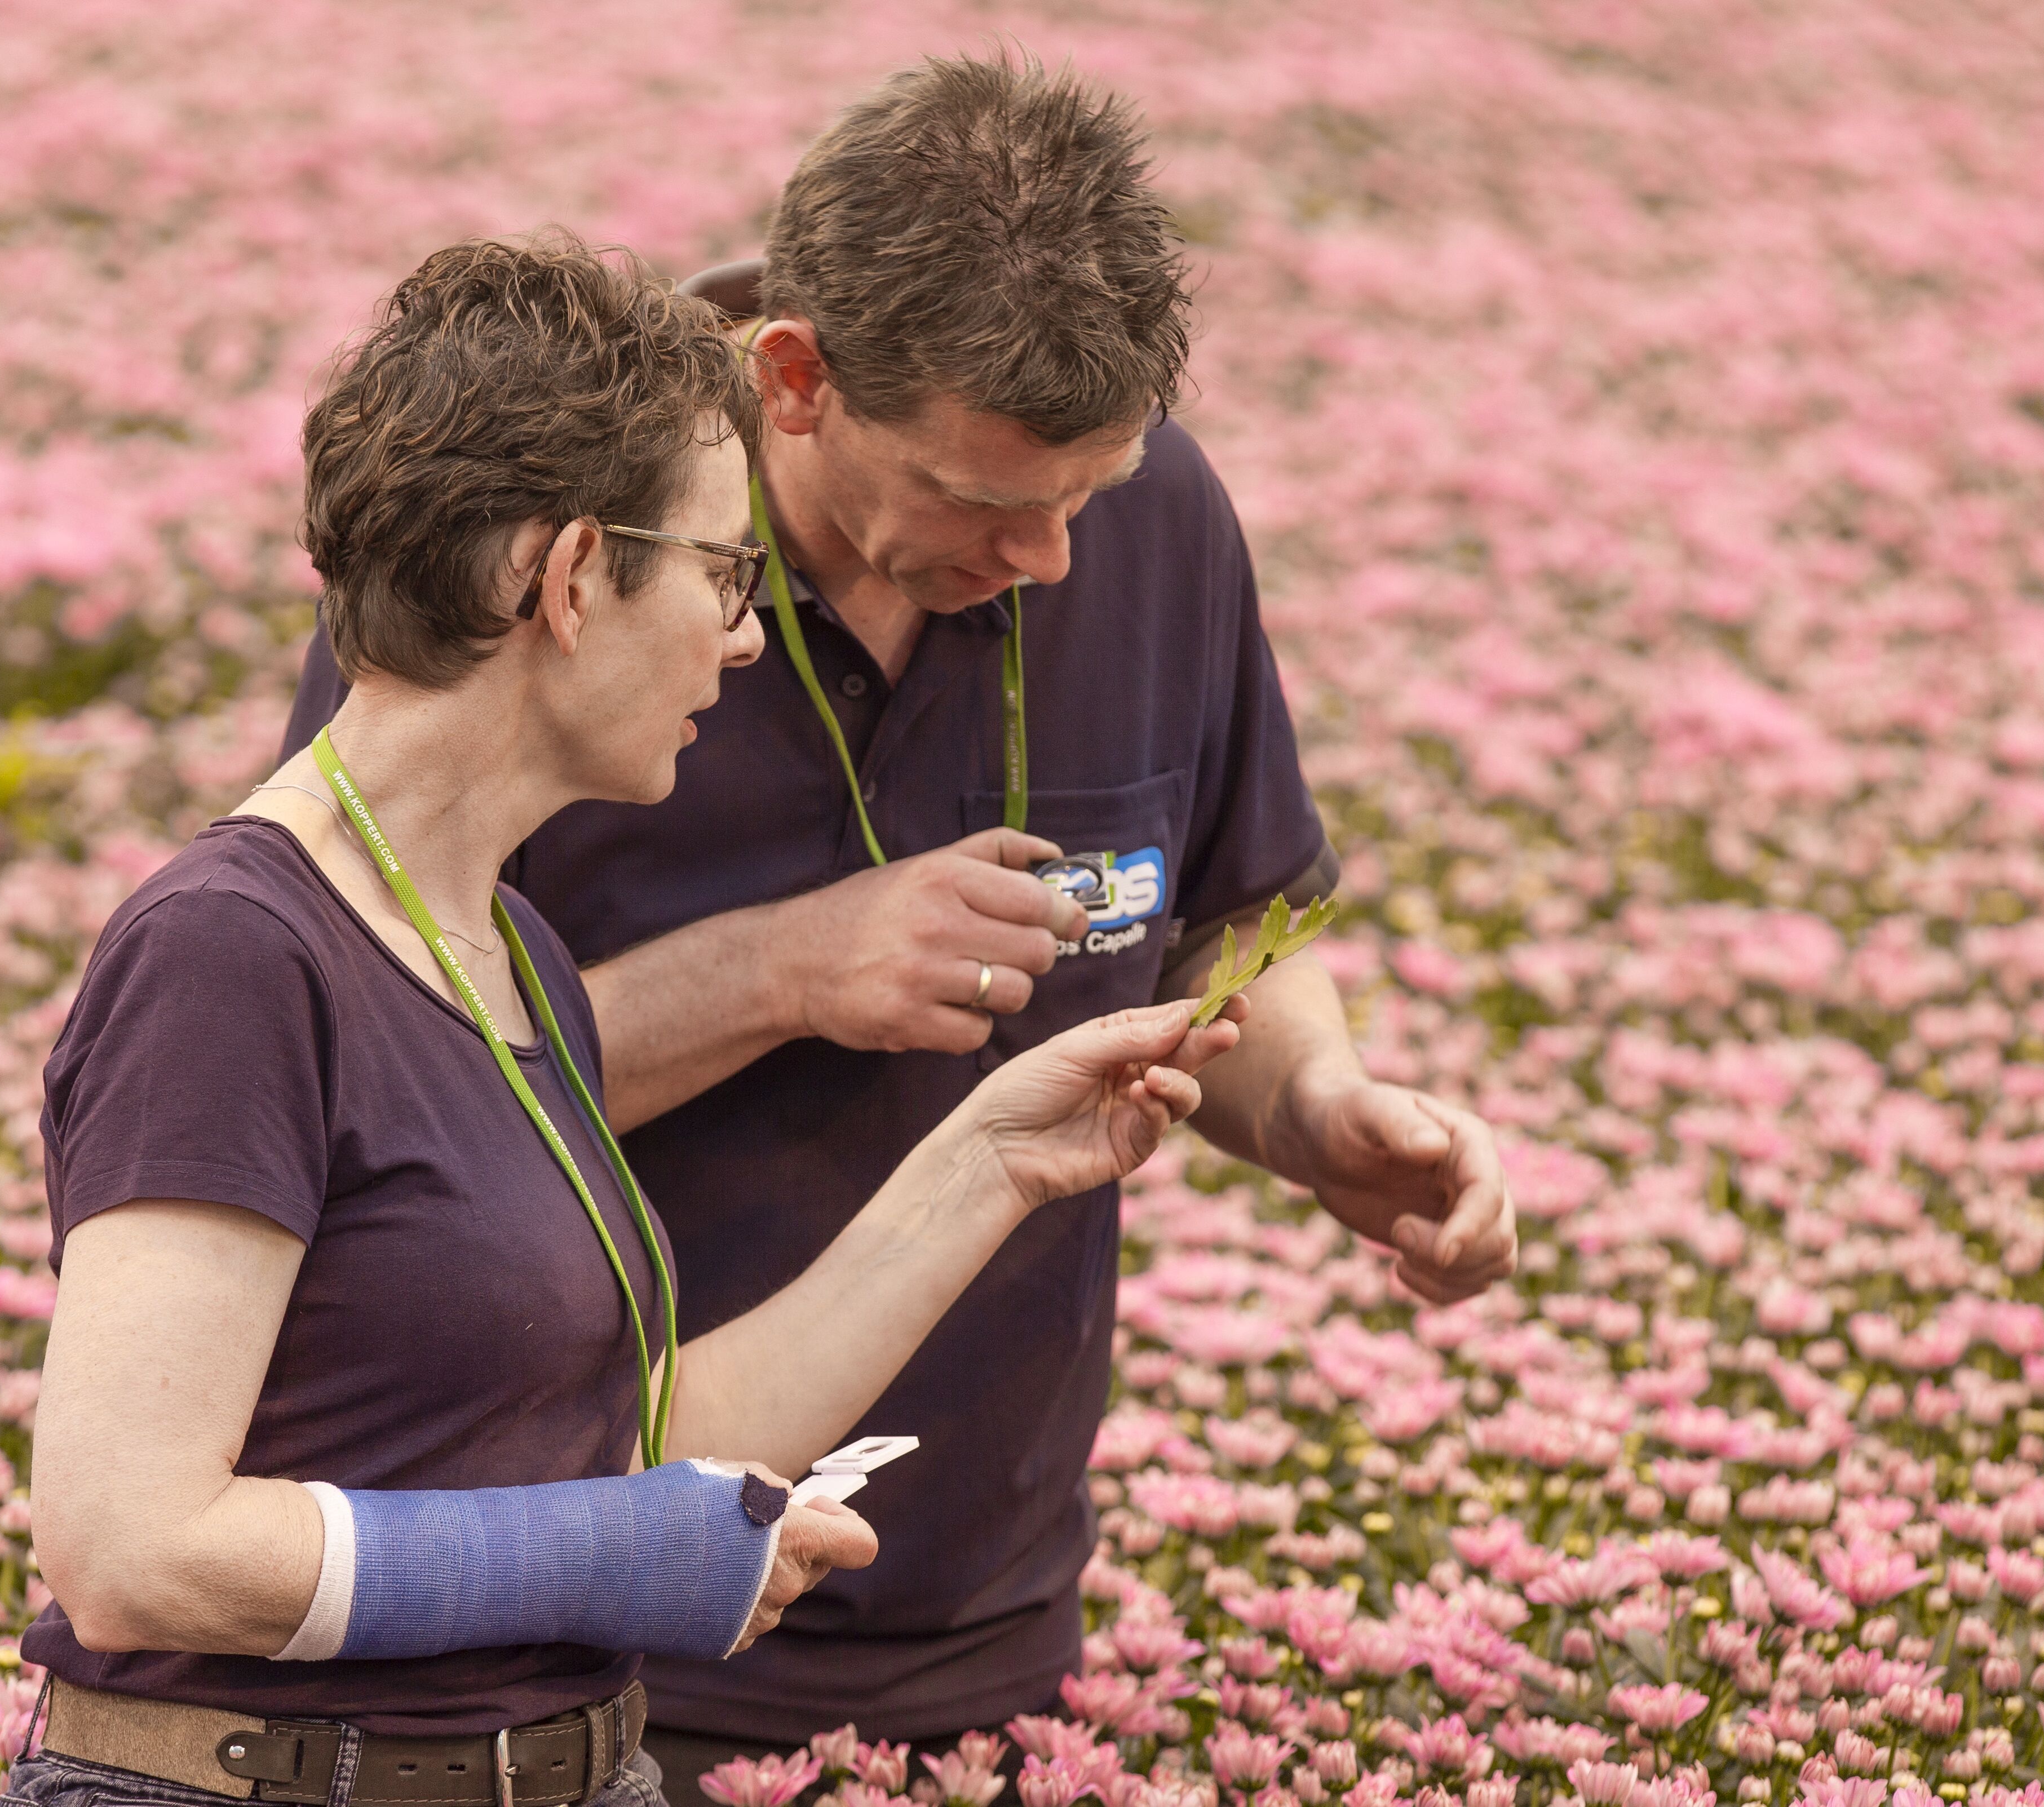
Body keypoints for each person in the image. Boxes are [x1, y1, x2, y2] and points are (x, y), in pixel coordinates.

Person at [281, 56, 1520, 1786]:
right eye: (987, 501)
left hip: (1000, 1613)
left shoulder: (1147, 518)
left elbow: (1230, 919)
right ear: (794, 378)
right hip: (580, 1617)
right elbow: (360, 1111)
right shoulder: (543, 567)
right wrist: (780, 970)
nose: (1057, 563)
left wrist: (1316, 1112)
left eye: (1090, 495)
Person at [13, 232, 1244, 1807]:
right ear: (577, 577)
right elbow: (130, 1548)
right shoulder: (233, 955)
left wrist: (991, 1164)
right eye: (725, 576)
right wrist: (614, 1555)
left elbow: (620, 1442)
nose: (745, 636)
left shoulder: (507, 949)